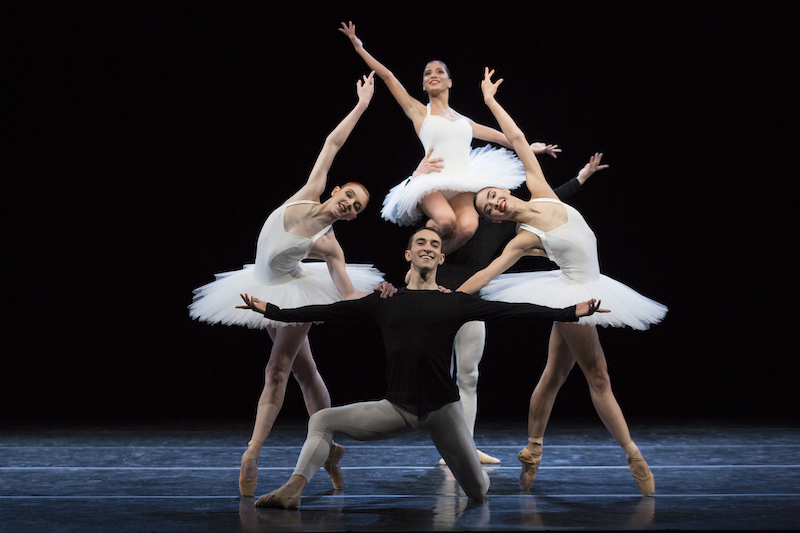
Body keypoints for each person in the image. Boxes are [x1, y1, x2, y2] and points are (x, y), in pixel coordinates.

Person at [237, 226, 607, 509]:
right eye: (421, 243)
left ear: (441, 258)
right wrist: (272, 311)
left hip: (443, 413)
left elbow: (514, 312)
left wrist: (569, 312)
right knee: (322, 420)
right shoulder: (385, 301)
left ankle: (473, 476)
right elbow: (328, 311)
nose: (428, 247)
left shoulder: (456, 303)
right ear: (408, 254)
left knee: (478, 494)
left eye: (435, 245)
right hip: (396, 408)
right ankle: (294, 488)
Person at [458, 68, 667, 496]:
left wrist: (491, 102)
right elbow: (488, 272)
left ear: (506, 190)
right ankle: (633, 454)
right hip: (576, 296)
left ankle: (533, 449)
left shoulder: (543, 191)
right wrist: (450, 297)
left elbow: (517, 140)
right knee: (599, 375)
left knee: (554, 374)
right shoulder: (524, 239)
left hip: (589, 284)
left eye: (494, 193)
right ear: (495, 218)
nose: (495, 200)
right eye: (488, 206)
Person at [189, 72, 396, 497]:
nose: (348, 204)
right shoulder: (310, 190)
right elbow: (333, 144)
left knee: (277, 369)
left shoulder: (330, 246)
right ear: (337, 190)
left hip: (293, 296)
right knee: (305, 371)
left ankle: (252, 453)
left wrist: (377, 295)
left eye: (355, 207)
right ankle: (331, 448)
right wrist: (360, 106)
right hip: (261, 284)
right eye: (349, 195)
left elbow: (346, 296)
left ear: (353, 217)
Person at [428, 151, 607, 465]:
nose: (490, 201)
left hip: (469, 301)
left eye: (492, 197)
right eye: (483, 199)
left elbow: (546, 203)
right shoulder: (450, 221)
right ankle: (443, 440)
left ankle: (463, 448)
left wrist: (580, 179)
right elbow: (422, 245)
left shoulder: (500, 224)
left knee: (468, 376)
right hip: (439, 298)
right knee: (436, 375)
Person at [339, 21, 560, 254]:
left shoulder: (464, 121)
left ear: (449, 81)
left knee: (467, 227)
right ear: (423, 85)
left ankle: (435, 261)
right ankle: (413, 260)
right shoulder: (419, 112)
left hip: (461, 180)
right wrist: (359, 47)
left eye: (439, 72)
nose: (433, 75)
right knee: (445, 220)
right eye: (427, 74)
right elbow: (389, 77)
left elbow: (504, 138)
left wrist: (530, 149)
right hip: (431, 180)